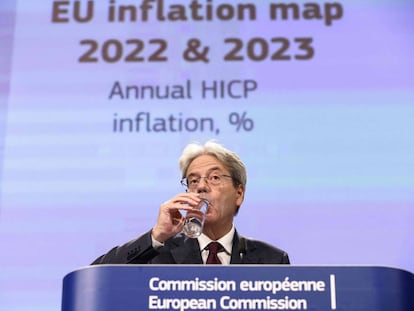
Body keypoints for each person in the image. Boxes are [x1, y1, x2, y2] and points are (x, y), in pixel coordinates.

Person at [92, 140, 290, 265]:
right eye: (193, 181)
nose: (201, 187)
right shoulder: (159, 253)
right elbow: (97, 279)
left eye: (214, 178)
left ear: (239, 193)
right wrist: (157, 235)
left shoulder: (271, 260)